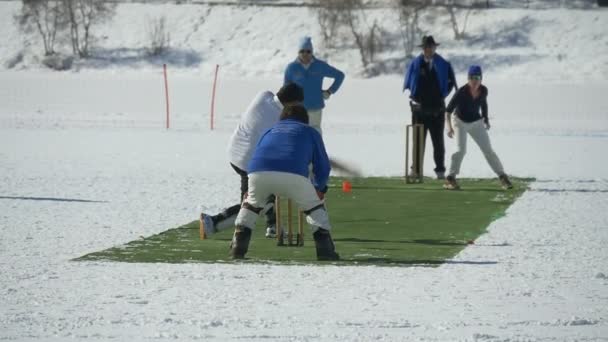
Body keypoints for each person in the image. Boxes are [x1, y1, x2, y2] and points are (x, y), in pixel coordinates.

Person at [230, 105, 339, 261]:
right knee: (314, 207)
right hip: (293, 174)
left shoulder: (269, 131)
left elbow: (256, 157)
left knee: (251, 205)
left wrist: (250, 189)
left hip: (258, 173)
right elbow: (323, 166)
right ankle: (325, 250)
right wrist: (320, 188)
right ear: (305, 120)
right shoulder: (310, 132)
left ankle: (238, 246)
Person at [199, 83, 304, 238]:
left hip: (235, 151)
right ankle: (213, 222)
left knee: (267, 189)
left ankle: (273, 225)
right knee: (254, 202)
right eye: (297, 104)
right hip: (248, 161)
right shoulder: (278, 120)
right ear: (290, 103)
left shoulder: (264, 95)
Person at [444, 65, 513, 190]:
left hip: (476, 123)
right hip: (460, 122)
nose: (474, 80)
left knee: (488, 150)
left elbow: (483, 104)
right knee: (460, 150)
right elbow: (448, 110)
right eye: (471, 77)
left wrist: (485, 119)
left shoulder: (484, 90)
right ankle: (450, 178)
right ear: (468, 79)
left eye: (477, 77)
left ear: (481, 78)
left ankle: (502, 176)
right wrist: (449, 127)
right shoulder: (461, 92)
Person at [403, 35, 457, 179]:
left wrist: (442, 96)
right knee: (418, 142)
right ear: (423, 48)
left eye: (431, 47)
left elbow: (450, 82)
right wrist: (415, 98)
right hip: (419, 110)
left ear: (435, 48)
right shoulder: (415, 63)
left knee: (438, 142)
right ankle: (416, 170)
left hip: (437, 110)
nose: (429, 49)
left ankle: (440, 171)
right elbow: (410, 81)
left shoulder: (443, 64)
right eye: (426, 47)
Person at [284, 36, 345, 135]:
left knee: (315, 134)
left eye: (308, 51)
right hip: (298, 109)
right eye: (302, 51)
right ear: (298, 52)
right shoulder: (291, 68)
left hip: (315, 108)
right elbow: (286, 88)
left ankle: (316, 151)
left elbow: (340, 76)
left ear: (312, 52)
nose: (305, 54)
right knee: (299, 135)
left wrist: (329, 91)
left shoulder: (320, 66)